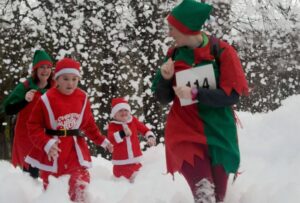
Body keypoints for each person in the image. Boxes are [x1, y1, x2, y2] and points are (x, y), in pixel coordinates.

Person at [151, 0, 249, 202]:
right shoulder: (174, 54)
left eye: (172, 29)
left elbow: (232, 95)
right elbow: (163, 98)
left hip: (219, 131)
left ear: (185, 28)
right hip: (184, 131)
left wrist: (196, 93)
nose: (169, 34)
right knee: (204, 194)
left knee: (219, 197)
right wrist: (165, 78)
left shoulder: (222, 52)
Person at [24, 57, 113, 202]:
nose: (70, 83)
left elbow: (89, 125)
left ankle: (81, 199)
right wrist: (45, 143)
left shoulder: (82, 97)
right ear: (57, 79)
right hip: (52, 153)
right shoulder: (46, 99)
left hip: (74, 150)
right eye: (65, 79)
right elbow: (33, 126)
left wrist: (102, 141)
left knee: (80, 184)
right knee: (54, 190)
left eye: (74, 79)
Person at [1, 50, 54, 178]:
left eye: (48, 67)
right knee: (30, 174)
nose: (45, 71)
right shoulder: (25, 86)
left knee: (49, 173)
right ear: (35, 69)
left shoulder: (55, 87)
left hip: (47, 136)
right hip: (27, 136)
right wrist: (25, 100)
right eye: (42, 67)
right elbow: (8, 109)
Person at [107, 97, 156, 182]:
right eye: (120, 110)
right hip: (121, 165)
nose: (123, 112)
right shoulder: (113, 125)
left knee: (145, 177)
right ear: (114, 114)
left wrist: (150, 137)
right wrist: (122, 133)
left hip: (135, 162)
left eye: (125, 110)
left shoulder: (133, 121)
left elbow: (144, 130)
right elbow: (111, 138)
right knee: (136, 180)